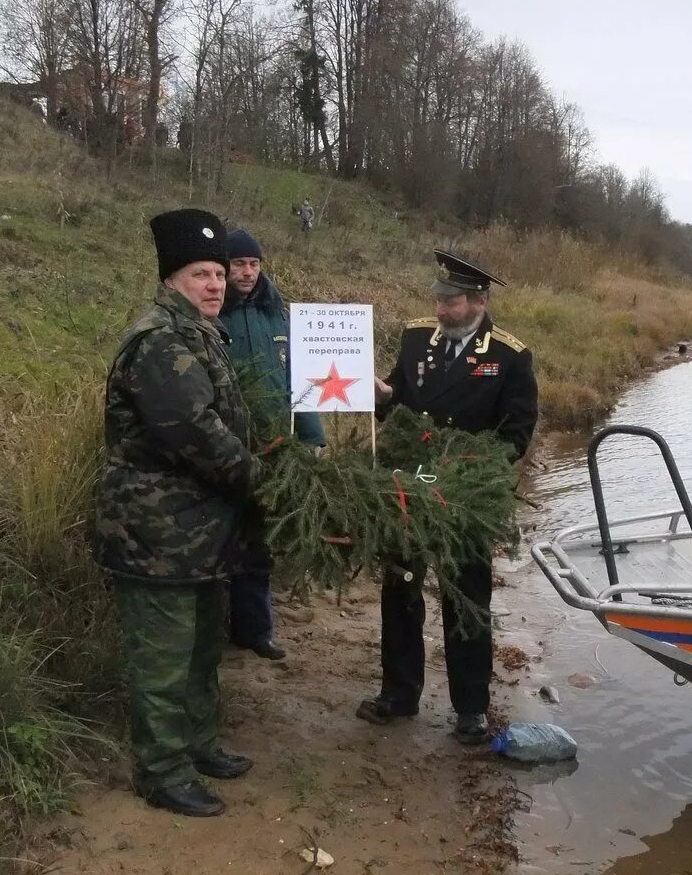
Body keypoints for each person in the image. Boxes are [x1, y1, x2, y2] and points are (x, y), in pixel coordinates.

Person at [95, 208, 258, 817]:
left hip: (199, 533)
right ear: (170, 280)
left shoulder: (198, 332)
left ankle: (197, 745)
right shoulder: (160, 342)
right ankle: (161, 774)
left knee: (200, 651)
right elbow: (197, 435)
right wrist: (264, 485)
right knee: (163, 659)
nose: (215, 285)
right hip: (155, 535)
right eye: (200, 274)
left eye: (219, 273)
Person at [356, 250, 538, 743]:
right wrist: (382, 395)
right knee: (401, 590)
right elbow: (399, 400)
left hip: (465, 501)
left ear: (478, 301)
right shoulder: (418, 338)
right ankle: (398, 693)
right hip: (410, 488)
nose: (440, 310)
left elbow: (516, 434)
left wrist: (473, 474)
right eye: (438, 300)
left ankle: (471, 707)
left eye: (451, 302)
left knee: (467, 598)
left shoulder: (509, 355)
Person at [218, 227, 326, 660]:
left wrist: (313, 437)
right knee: (217, 540)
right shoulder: (210, 314)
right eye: (239, 264)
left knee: (258, 542)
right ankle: (213, 632)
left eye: (253, 264)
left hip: (274, 445)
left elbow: (299, 380)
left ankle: (255, 631)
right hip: (223, 446)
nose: (246, 273)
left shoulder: (276, 314)